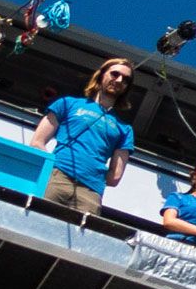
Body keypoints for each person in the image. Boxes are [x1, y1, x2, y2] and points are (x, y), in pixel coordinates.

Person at [28, 58, 139, 217]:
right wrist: (53, 168)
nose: (119, 80)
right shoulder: (67, 103)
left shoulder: (125, 129)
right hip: (56, 177)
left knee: (80, 232)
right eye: (115, 74)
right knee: (35, 220)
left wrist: (92, 176)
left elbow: (115, 177)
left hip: (90, 192)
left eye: (126, 79)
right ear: (101, 75)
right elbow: (37, 142)